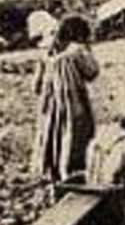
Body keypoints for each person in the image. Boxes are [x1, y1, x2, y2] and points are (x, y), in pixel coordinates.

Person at [32, 15, 99, 186]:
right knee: (73, 136)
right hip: (73, 105)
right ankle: (70, 173)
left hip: (49, 107)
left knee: (52, 134)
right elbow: (92, 72)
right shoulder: (77, 51)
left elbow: (36, 87)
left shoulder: (45, 56)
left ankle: (51, 172)